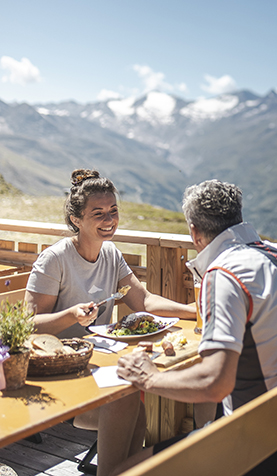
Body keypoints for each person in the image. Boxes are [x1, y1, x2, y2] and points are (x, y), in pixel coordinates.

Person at [116, 179, 277, 476]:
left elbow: (215, 383)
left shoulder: (226, 273)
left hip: (268, 448)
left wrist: (149, 378)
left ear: (194, 232)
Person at [24, 168, 196, 476]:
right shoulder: (54, 260)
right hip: (55, 376)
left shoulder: (111, 254)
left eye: (113, 211)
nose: (109, 220)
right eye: (98, 213)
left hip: (96, 365)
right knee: (126, 401)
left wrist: (193, 310)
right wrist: (69, 315)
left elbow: (143, 301)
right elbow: (28, 326)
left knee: (136, 408)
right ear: (76, 219)